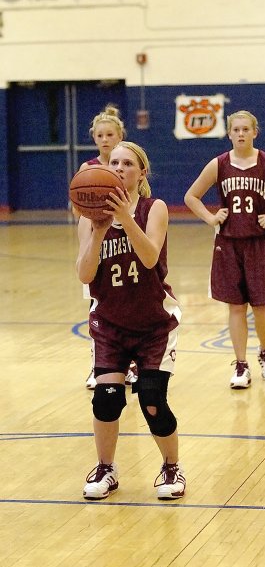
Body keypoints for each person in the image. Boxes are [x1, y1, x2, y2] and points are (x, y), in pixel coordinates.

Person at [76, 141, 186, 500]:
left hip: (154, 323)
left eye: (127, 163)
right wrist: (98, 231)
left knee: (152, 400)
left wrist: (124, 219)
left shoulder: (154, 208)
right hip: (110, 323)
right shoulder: (88, 217)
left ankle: (171, 466)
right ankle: (106, 468)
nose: (120, 168)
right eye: (114, 163)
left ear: (141, 173)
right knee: (106, 399)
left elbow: (150, 258)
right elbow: (84, 274)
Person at [184, 110, 265, 389]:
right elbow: (191, 196)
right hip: (228, 242)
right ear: (229, 134)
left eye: (245, 129)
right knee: (236, 306)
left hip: (259, 243)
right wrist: (211, 218)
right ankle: (240, 364)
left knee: (261, 306)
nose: (240, 134)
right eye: (236, 129)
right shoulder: (218, 164)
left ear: (254, 132)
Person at [78, 105, 138, 390]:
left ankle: (132, 364)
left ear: (120, 136)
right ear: (94, 137)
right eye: (100, 135)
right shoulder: (87, 170)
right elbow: (78, 208)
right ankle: (98, 364)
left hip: (125, 243)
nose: (104, 139)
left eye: (110, 134)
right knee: (97, 307)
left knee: (133, 304)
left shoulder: (128, 166)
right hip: (98, 239)